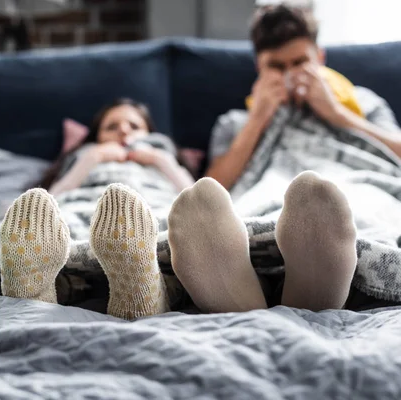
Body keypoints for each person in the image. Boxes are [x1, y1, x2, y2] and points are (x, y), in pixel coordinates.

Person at [170, 4, 401, 315]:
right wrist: (258, 120)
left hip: (354, 180)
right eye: (276, 66)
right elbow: (214, 184)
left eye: (300, 62)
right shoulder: (235, 122)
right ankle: (279, 281)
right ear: (259, 68)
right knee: (244, 210)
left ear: (319, 57)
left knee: (338, 204)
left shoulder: (362, 102)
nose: (290, 74)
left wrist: (338, 114)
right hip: (269, 184)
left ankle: (276, 287)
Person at [0, 98, 195, 320]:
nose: (123, 131)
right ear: (97, 136)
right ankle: (38, 288)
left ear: (150, 134)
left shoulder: (161, 157)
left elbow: (194, 195)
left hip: (154, 203)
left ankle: (141, 286)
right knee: (56, 228)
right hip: (84, 205)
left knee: (174, 228)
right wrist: (92, 158)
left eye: (134, 126)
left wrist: (162, 160)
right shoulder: (87, 155)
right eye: (111, 127)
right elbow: (53, 197)